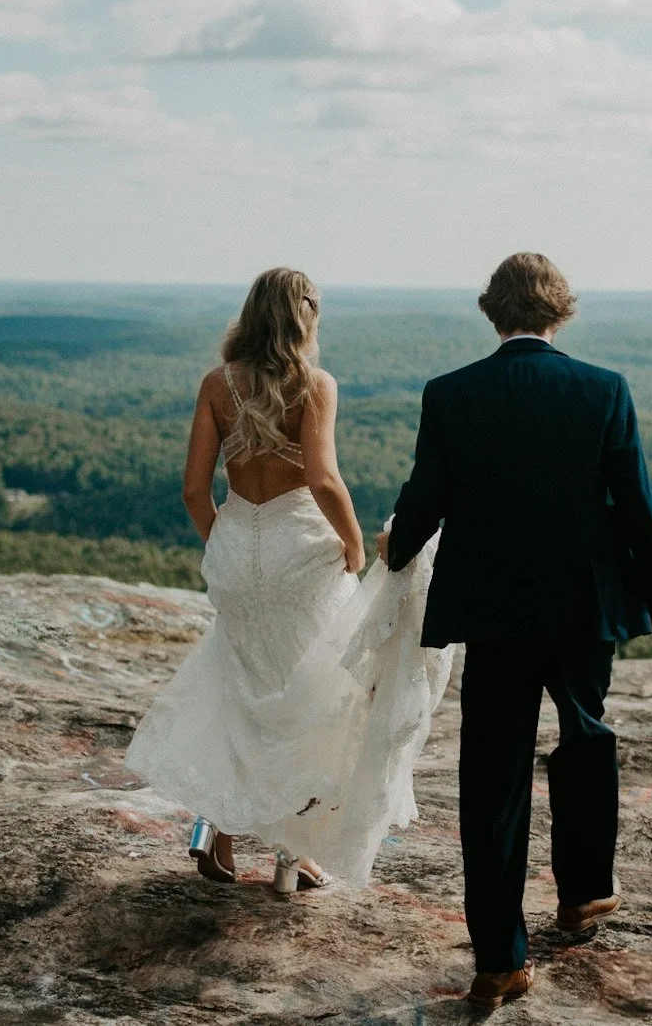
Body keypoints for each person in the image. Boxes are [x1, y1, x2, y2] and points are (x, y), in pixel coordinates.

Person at [378, 253, 652, 1013]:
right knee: (584, 736)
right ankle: (581, 894)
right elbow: (635, 503)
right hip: (580, 610)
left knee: (492, 779)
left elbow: (426, 496)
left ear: (492, 311)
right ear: (559, 311)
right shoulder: (603, 389)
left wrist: (394, 553)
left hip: (493, 613)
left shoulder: (451, 394)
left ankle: (499, 960)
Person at [125, 268, 453, 895]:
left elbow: (195, 488)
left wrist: (222, 542)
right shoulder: (313, 385)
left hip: (238, 543)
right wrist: (354, 548)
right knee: (315, 698)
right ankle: (292, 857)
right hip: (300, 551)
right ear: (305, 319)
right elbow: (324, 481)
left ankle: (217, 838)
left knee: (240, 688)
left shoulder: (216, 385)